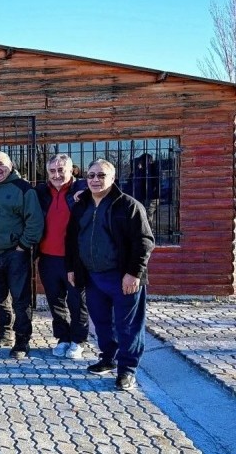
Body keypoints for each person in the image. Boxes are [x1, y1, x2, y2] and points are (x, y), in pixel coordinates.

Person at [66, 159, 155, 391]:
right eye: (92, 175)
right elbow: (72, 240)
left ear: (113, 178)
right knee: (102, 323)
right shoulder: (81, 206)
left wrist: (134, 273)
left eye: (101, 175)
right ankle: (108, 358)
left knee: (128, 326)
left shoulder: (128, 206)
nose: (95, 179)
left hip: (123, 277)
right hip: (93, 277)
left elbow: (144, 242)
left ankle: (127, 370)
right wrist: (72, 268)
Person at [0, 151, 44, 359]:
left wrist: (23, 246)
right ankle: (4, 333)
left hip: (15, 254)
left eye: (0, 164)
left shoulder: (23, 188)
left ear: (11, 165)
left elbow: (35, 221)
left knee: (20, 300)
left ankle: (22, 341)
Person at [35, 154, 89, 360]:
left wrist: (84, 190)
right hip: (47, 258)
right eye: (52, 171)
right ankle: (62, 338)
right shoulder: (41, 192)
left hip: (73, 259)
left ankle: (78, 340)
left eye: (61, 170)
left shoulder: (82, 189)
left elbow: (108, 186)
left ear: (71, 170)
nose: (57, 175)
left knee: (77, 301)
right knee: (55, 302)